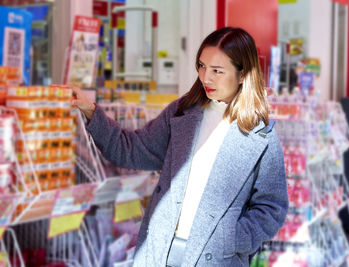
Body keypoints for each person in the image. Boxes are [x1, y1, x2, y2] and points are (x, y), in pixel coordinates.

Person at [66, 27, 288, 267]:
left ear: (243, 74)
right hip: (159, 252)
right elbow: (132, 149)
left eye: (217, 71)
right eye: (202, 66)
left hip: (216, 259)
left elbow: (271, 207)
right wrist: (90, 111)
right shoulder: (182, 113)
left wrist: (229, 239)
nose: (206, 78)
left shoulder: (261, 135)